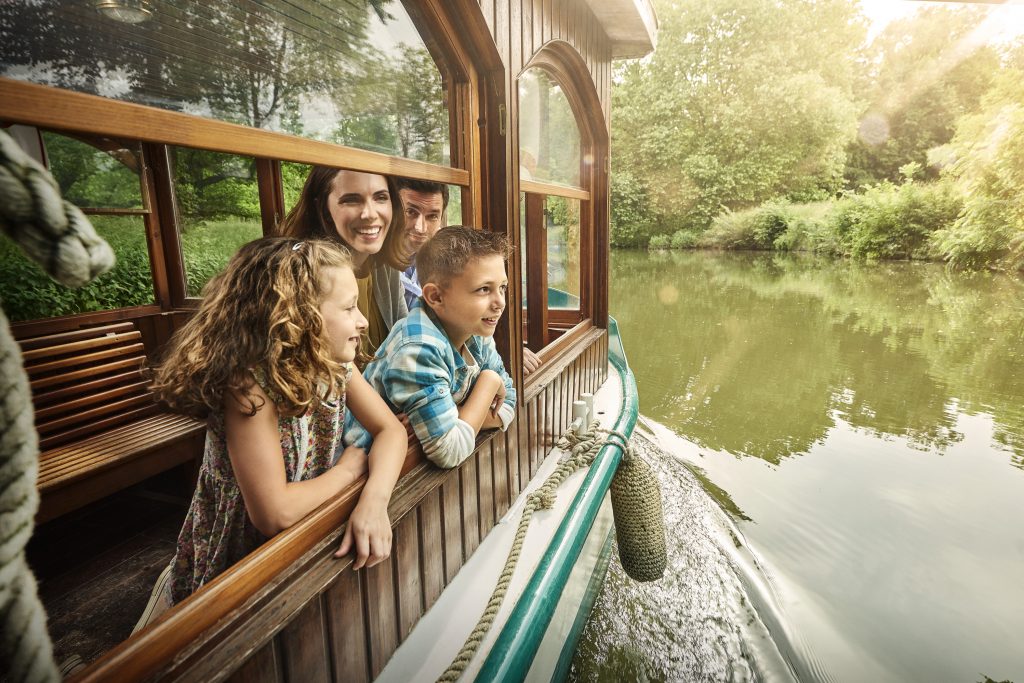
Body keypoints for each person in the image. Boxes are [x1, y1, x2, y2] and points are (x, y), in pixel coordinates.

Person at [135, 238, 407, 629]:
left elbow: (391, 432)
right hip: (238, 557)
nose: (362, 320)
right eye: (349, 308)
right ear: (299, 316)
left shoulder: (333, 367)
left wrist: (375, 501)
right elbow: (274, 513)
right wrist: (349, 471)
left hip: (301, 528)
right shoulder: (248, 387)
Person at [347, 226, 516, 469]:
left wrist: (456, 414)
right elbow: (450, 450)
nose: (500, 302)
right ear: (435, 297)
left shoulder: (475, 332)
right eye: (483, 289)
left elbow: (509, 401)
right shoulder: (418, 349)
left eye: (502, 287)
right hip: (366, 468)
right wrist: (488, 382)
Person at [395, 177, 541, 375]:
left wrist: (506, 353)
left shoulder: (451, 261)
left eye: (432, 217)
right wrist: (489, 382)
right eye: (411, 212)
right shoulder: (377, 271)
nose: (420, 228)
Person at [278, 168, 409, 360]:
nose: (370, 214)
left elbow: (405, 337)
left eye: (380, 197)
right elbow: (342, 374)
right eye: (351, 200)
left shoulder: (384, 265)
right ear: (324, 208)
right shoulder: (309, 273)